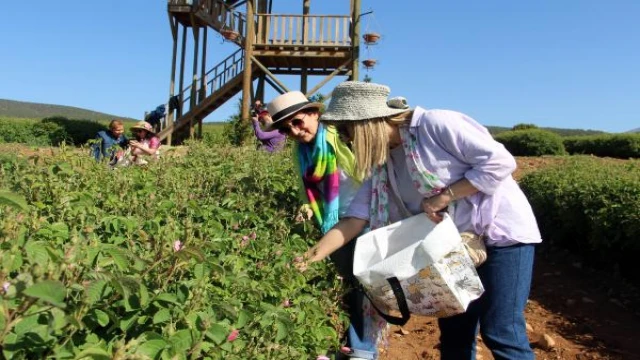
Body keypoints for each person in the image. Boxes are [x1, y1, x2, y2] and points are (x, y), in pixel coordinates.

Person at [302, 81, 542, 360]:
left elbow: (499, 162)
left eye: (345, 129)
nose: (345, 139)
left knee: (501, 331)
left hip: (502, 236)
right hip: (453, 249)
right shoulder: (383, 164)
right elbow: (354, 220)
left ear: (365, 122)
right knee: (455, 335)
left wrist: (445, 196)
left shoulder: (434, 125)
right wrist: (308, 258)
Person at [266, 91, 383, 360]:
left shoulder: (339, 137)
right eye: (286, 128)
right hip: (333, 225)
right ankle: (356, 346)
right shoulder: (302, 152)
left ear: (314, 114)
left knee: (366, 289)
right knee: (352, 288)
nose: (294, 131)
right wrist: (305, 208)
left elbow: (371, 170)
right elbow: (305, 190)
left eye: (297, 122)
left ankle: (363, 350)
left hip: (366, 220)